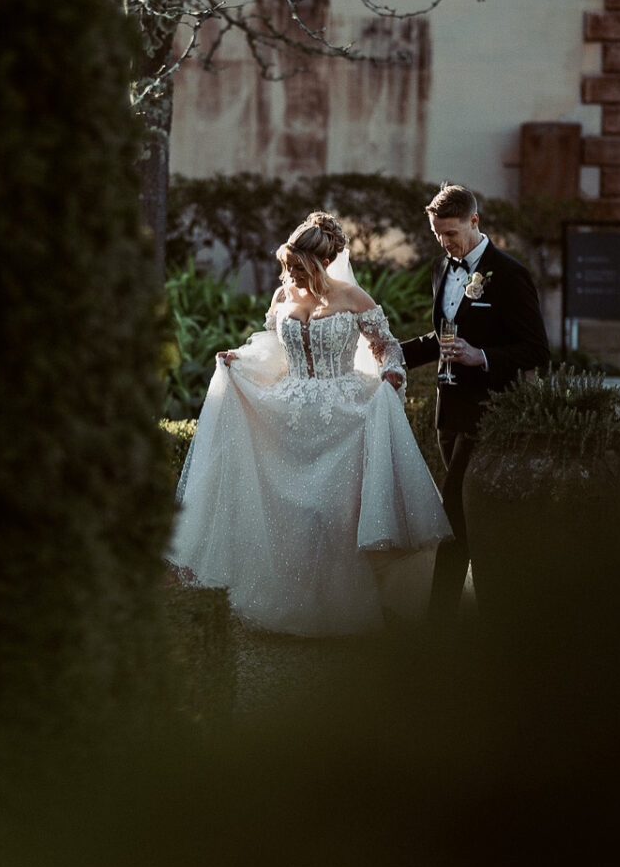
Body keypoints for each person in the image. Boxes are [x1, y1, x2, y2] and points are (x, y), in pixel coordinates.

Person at [169, 212, 451, 636]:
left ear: (324, 262)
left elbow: (387, 348)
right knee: (291, 514)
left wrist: (393, 372)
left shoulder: (354, 297)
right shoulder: (283, 296)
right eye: (289, 266)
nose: (293, 275)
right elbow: (273, 348)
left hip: (344, 418)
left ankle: (343, 607)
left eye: (300, 267)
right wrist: (238, 359)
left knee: (334, 514)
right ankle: (290, 605)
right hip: (289, 413)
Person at [399, 183, 550, 621]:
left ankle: (440, 621)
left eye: (451, 233)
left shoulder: (510, 274)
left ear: (474, 222)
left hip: (489, 412)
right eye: (437, 234)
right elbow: (442, 336)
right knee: (470, 518)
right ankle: (496, 607)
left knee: (454, 514)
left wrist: (480, 356)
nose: (444, 243)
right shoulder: (440, 268)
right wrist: (393, 354)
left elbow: (536, 350)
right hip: (448, 410)